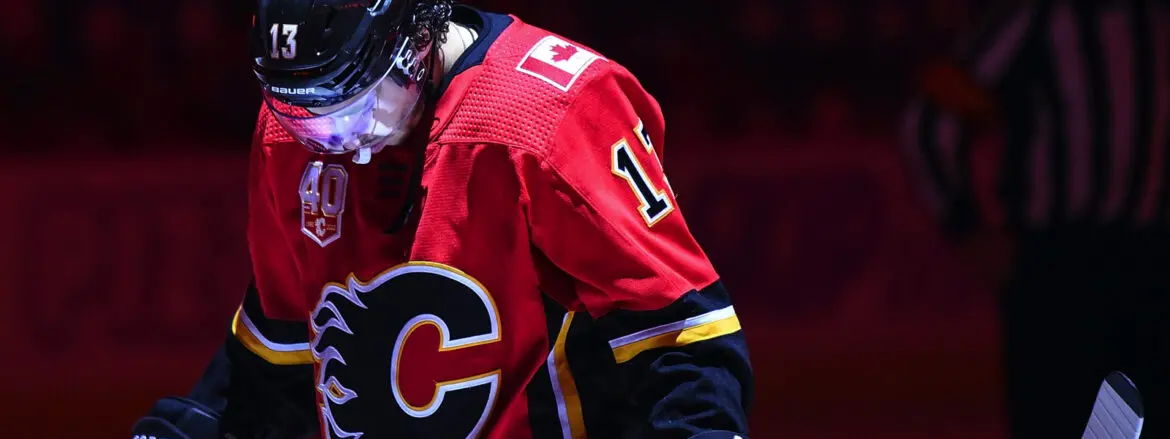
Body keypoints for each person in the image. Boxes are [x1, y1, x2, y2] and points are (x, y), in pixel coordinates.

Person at [130, 1, 753, 438]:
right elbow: (287, 346)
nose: (332, 141)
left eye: (353, 105)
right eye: (304, 115)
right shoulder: (291, 138)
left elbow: (680, 333)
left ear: (418, 39)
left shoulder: (548, 118)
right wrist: (198, 423)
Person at [902, 0, 1170, 436]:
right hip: (1063, 274)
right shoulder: (1045, 17)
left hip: (1146, 271)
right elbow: (928, 125)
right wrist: (966, 227)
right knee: (1059, 418)